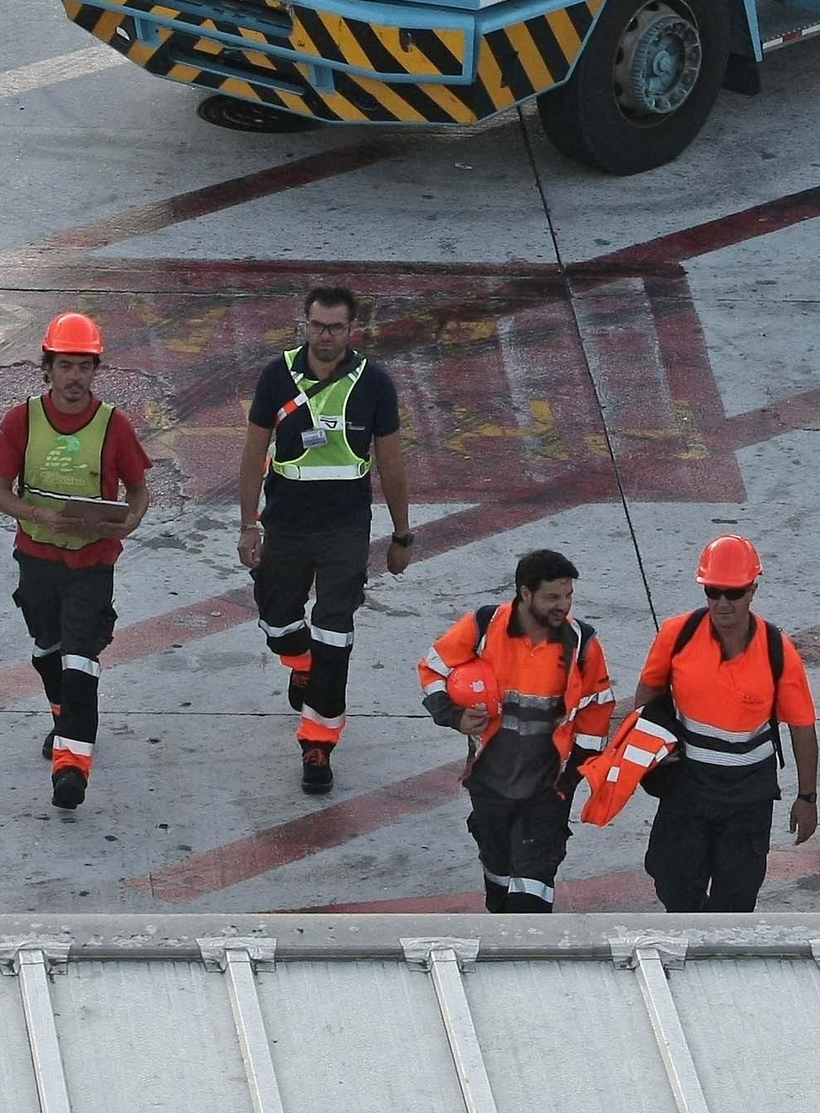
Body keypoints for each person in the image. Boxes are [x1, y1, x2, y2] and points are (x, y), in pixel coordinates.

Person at [236, 282, 414, 795]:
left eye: (336, 327)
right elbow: (253, 454)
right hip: (285, 523)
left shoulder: (374, 384)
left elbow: (392, 463)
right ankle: (300, 662)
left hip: (344, 528)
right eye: (317, 325)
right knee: (276, 619)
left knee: (335, 630)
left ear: (351, 330)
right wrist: (249, 523)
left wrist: (402, 535)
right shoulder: (277, 376)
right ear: (305, 324)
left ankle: (318, 741)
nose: (326, 336)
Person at [0, 312, 151, 811]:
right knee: (47, 650)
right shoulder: (21, 420)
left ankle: (72, 767)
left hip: (92, 562)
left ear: (95, 370)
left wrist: (131, 521)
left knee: (81, 656)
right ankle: (64, 714)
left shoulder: (114, 425)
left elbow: (139, 490)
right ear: (48, 368)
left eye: (84, 366)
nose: (75, 377)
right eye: (66, 365)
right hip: (36, 558)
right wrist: (32, 512)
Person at [419, 549, 614, 911]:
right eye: (553, 597)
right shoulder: (484, 626)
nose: (563, 605)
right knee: (498, 874)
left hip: (546, 792)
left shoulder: (582, 643)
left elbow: (597, 710)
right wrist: (454, 715)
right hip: (490, 785)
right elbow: (433, 669)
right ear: (525, 593)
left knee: (531, 900)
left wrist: (571, 780)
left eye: (568, 595)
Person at [634, 536, 819, 912]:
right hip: (687, 788)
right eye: (713, 591)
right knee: (673, 883)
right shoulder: (677, 635)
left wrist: (807, 797)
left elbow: (802, 728)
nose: (721, 603)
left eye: (732, 593)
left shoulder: (776, 650)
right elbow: (648, 692)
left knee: (735, 900)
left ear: (753, 590)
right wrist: (647, 752)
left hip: (747, 797)